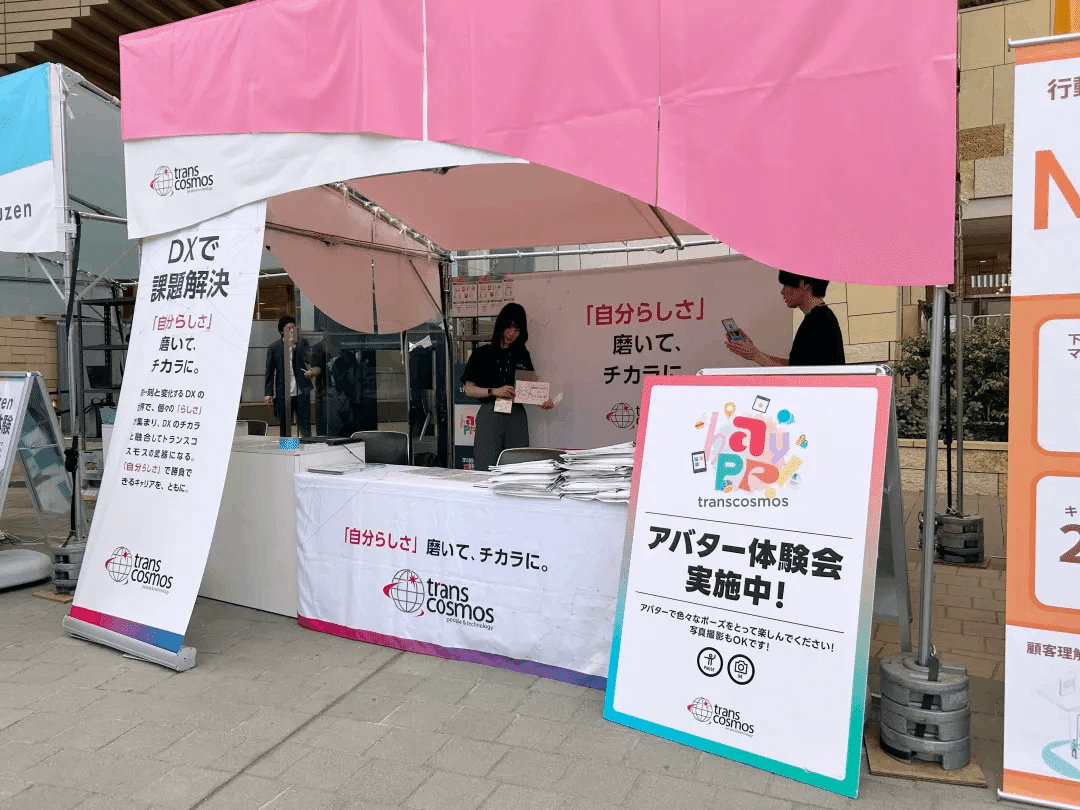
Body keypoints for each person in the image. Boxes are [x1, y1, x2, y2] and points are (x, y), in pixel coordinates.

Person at [461, 303, 554, 471]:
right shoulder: (482, 354)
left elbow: (530, 389)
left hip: (516, 416)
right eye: (509, 327)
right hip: (490, 413)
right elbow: (469, 389)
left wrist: (542, 401)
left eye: (517, 330)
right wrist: (494, 391)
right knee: (486, 466)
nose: (512, 334)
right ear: (501, 325)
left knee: (518, 466)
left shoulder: (522, 355)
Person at [725, 270, 846, 367]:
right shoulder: (820, 316)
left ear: (803, 284)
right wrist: (754, 352)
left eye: (786, 284)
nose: (782, 291)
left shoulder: (818, 321)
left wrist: (755, 355)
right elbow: (796, 366)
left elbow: (797, 377)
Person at [263, 316, 318, 437]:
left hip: (301, 390)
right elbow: (269, 371)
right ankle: (288, 447)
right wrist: (268, 393)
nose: (292, 330)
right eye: (289, 328)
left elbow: (310, 359)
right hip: (284, 392)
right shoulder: (274, 347)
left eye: (294, 327)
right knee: (285, 424)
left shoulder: (301, 343)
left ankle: (305, 445)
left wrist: (295, 347)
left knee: (304, 423)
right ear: (282, 330)